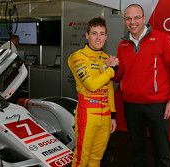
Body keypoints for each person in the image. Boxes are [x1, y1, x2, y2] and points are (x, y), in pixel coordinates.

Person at [113, 4, 170, 167]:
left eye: (136, 17)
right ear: (125, 21)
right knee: (137, 151)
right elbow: (119, 77)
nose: (133, 22)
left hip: (157, 105)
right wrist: (112, 68)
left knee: (162, 152)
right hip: (131, 105)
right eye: (128, 18)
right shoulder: (122, 45)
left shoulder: (162, 39)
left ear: (144, 18)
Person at [68, 17, 119, 167]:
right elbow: (91, 85)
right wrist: (111, 70)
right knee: (81, 158)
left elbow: (109, 88)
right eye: (94, 33)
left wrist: (113, 115)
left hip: (105, 114)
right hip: (87, 113)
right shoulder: (78, 57)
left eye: (102, 34)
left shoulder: (106, 58)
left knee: (97, 158)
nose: (98, 38)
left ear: (106, 36)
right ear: (87, 35)